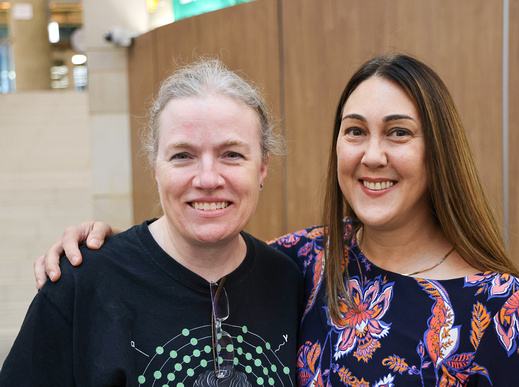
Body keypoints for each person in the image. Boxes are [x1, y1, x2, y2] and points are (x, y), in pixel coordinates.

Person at [31, 54, 519, 386]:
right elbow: (197, 253)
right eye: (355, 131)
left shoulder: (505, 309)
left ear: (437, 151)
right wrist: (112, 251)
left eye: (398, 132)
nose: (372, 155)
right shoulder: (304, 259)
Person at [0, 59, 303, 386]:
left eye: (232, 154)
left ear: (262, 167)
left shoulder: (291, 281)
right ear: (156, 167)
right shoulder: (81, 286)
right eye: (182, 155)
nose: (207, 178)